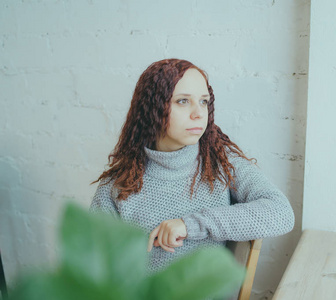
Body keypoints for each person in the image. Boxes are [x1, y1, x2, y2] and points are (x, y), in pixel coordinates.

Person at [90, 58, 295, 275]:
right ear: (153, 107)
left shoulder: (219, 162)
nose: (198, 113)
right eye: (183, 101)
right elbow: (92, 269)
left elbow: (281, 212)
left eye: (204, 101)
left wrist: (191, 225)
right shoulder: (117, 186)